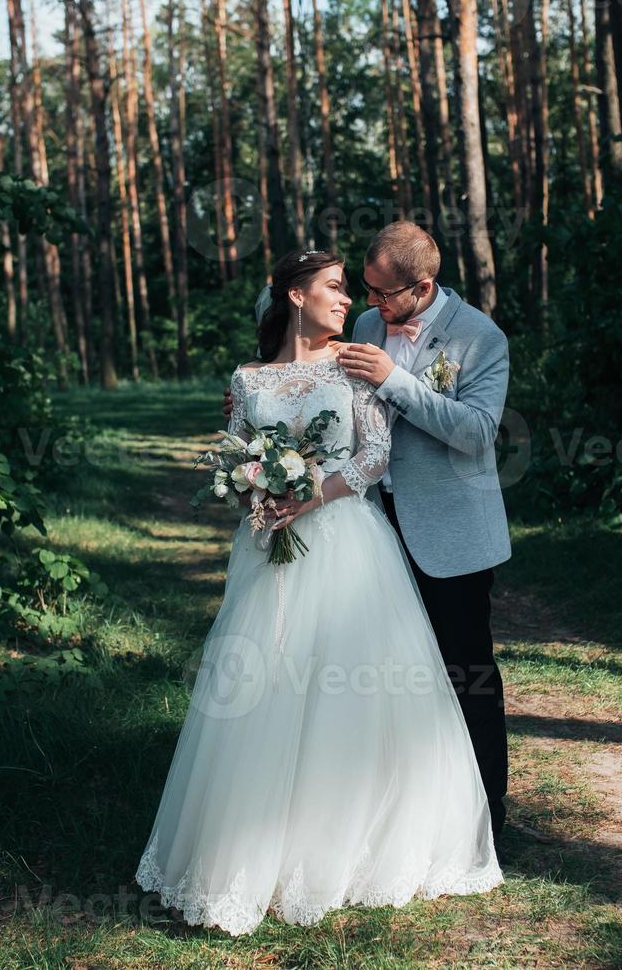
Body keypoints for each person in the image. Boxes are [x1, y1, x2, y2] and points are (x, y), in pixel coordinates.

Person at [137, 248, 501, 936]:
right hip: (269, 551)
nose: (349, 301)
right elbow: (238, 451)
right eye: (335, 288)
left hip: (349, 541)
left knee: (357, 694)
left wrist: (309, 496)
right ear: (295, 295)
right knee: (267, 689)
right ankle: (258, 852)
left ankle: (360, 843)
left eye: (351, 289)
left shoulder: (354, 360)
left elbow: (374, 454)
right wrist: (254, 487)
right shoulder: (247, 379)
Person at [219, 222, 513, 838]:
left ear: (422, 286)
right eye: (365, 291)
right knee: (391, 679)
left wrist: (394, 380)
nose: (370, 305)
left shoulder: (479, 339)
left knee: (465, 674)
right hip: (372, 523)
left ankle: (485, 821)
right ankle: (393, 815)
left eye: (382, 294)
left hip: (450, 529)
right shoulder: (367, 327)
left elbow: (477, 434)